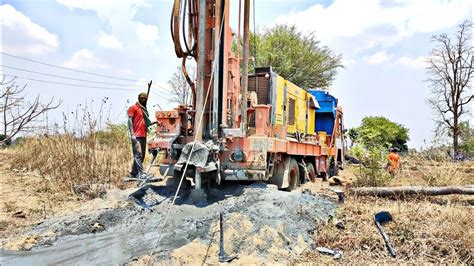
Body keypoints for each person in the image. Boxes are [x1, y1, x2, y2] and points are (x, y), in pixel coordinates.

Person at [126, 92, 154, 180]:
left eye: (145, 98)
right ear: (138, 98)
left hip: (143, 135)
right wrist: (132, 134)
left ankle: (134, 173)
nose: (144, 100)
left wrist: (156, 122)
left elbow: (147, 123)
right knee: (138, 154)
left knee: (142, 155)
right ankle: (141, 173)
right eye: (142, 98)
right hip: (136, 135)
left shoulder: (144, 110)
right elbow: (129, 121)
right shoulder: (133, 108)